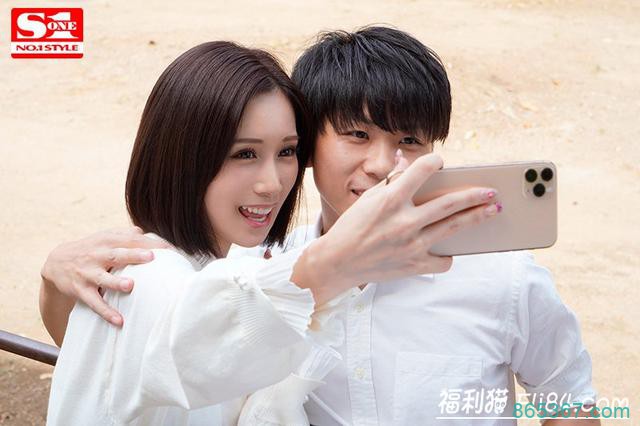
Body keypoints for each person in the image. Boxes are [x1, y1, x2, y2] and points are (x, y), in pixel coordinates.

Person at [41, 27, 597, 425]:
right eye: (358, 135)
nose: (383, 165)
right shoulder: (252, 273)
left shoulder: (505, 279)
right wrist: (54, 278)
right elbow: (138, 353)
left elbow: (569, 400)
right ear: (311, 145)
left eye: (410, 141)